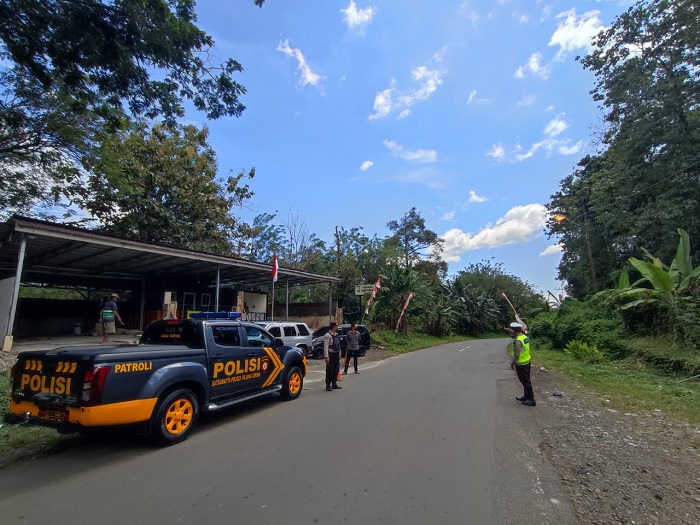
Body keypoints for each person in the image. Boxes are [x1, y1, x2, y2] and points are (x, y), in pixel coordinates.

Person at [510, 322, 535, 406]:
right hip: (527, 361)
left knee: (525, 381)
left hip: (521, 364)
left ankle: (531, 399)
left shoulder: (517, 340)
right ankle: (526, 396)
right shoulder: (525, 337)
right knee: (526, 380)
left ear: (514, 331)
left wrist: (513, 362)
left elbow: (517, 354)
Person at [323, 322, 342, 391]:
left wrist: (340, 353)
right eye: (337, 326)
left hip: (336, 354)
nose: (338, 327)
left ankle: (334, 384)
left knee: (336, 370)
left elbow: (338, 345)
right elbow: (326, 346)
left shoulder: (336, 335)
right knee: (329, 371)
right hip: (331, 355)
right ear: (333, 327)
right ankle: (328, 385)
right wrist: (326, 356)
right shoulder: (327, 335)